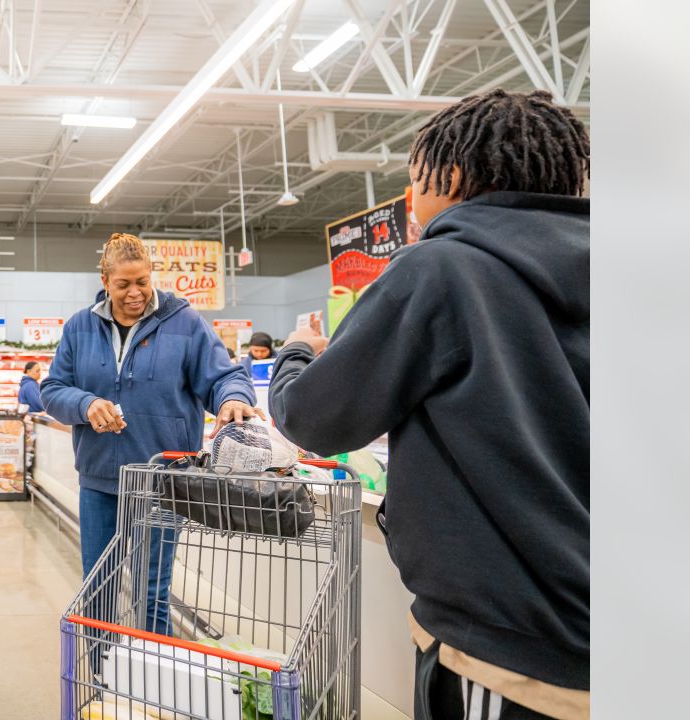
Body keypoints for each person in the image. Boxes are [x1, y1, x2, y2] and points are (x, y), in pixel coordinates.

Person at [267, 89, 589, 720]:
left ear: (454, 176)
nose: (410, 203)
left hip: (510, 651)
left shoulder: (441, 270)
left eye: (414, 181)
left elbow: (315, 417)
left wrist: (298, 353)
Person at [41, 233, 256, 635]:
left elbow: (223, 376)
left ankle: (152, 686)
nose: (135, 293)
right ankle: (104, 681)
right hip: (100, 482)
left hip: (163, 482)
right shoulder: (80, 328)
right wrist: (86, 404)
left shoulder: (184, 323)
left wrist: (233, 398)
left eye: (142, 281)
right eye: (123, 284)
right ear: (105, 280)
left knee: (152, 592)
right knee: (99, 590)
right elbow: (52, 390)